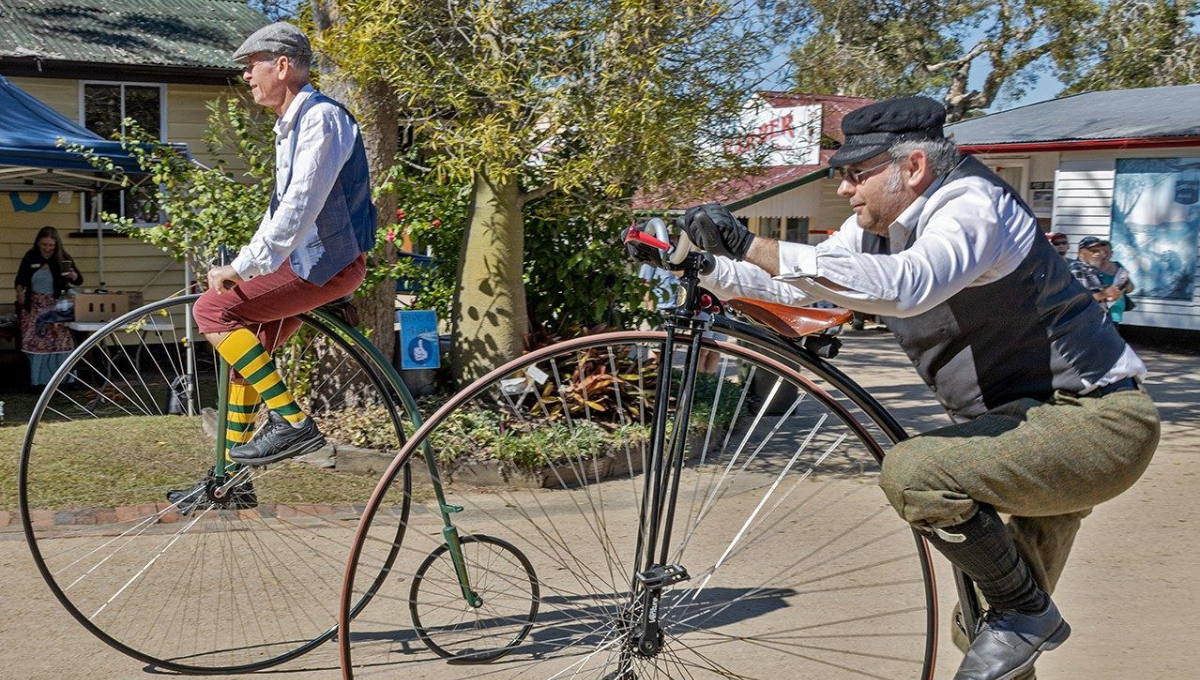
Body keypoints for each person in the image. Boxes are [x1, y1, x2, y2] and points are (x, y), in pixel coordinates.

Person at [662, 96, 1160, 680]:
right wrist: (702, 264)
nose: (845, 190)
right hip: (1023, 429)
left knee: (916, 473)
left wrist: (749, 242)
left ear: (914, 168)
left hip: (1093, 423)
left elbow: (908, 286)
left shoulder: (972, 206)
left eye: (855, 174)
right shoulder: (872, 232)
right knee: (979, 633)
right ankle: (1021, 617)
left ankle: (1026, 612)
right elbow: (802, 285)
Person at [169, 22, 378, 510]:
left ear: (281, 66)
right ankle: (231, 480)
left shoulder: (321, 119)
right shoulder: (293, 125)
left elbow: (301, 205)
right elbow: (280, 210)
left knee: (213, 313)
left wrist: (244, 267)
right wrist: (243, 263)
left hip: (325, 263)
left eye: (251, 64)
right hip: (306, 263)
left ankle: (292, 423)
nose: (245, 75)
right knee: (247, 359)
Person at [14, 226, 81, 387]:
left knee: (61, 341)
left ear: (56, 245)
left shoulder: (63, 257)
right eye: (44, 245)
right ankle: (39, 382)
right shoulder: (31, 257)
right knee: (37, 340)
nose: (47, 248)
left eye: (51, 245)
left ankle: (64, 381)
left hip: (57, 306)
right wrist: (20, 293)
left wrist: (73, 275)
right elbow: (19, 280)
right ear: (38, 243)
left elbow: (78, 280)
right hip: (35, 306)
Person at [1078, 236, 1136, 324]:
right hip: (1099, 314)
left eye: (1106, 252)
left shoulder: (1118, 266)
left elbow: (1130, 288)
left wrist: (1125, 284)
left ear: (1111, 253)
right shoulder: (1091, 269)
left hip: (1115, 313)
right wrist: (1105, 293)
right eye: (1100, 251)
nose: (1103, 255)